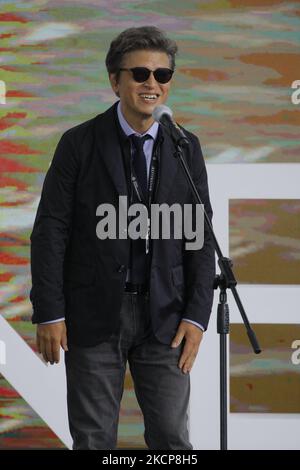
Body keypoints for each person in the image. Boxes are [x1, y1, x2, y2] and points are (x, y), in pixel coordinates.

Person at [30, 25, 215, 450]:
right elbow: (50, 231)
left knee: (172, 441)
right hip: (92, 315)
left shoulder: (185, 146)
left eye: (162, 75)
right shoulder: (78, 143)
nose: (152, 84)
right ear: (115, 80)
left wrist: (196, 316)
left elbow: (201, 238)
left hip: (167, 318)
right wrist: (49, 312)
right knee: (93, 440)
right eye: (140, 74)